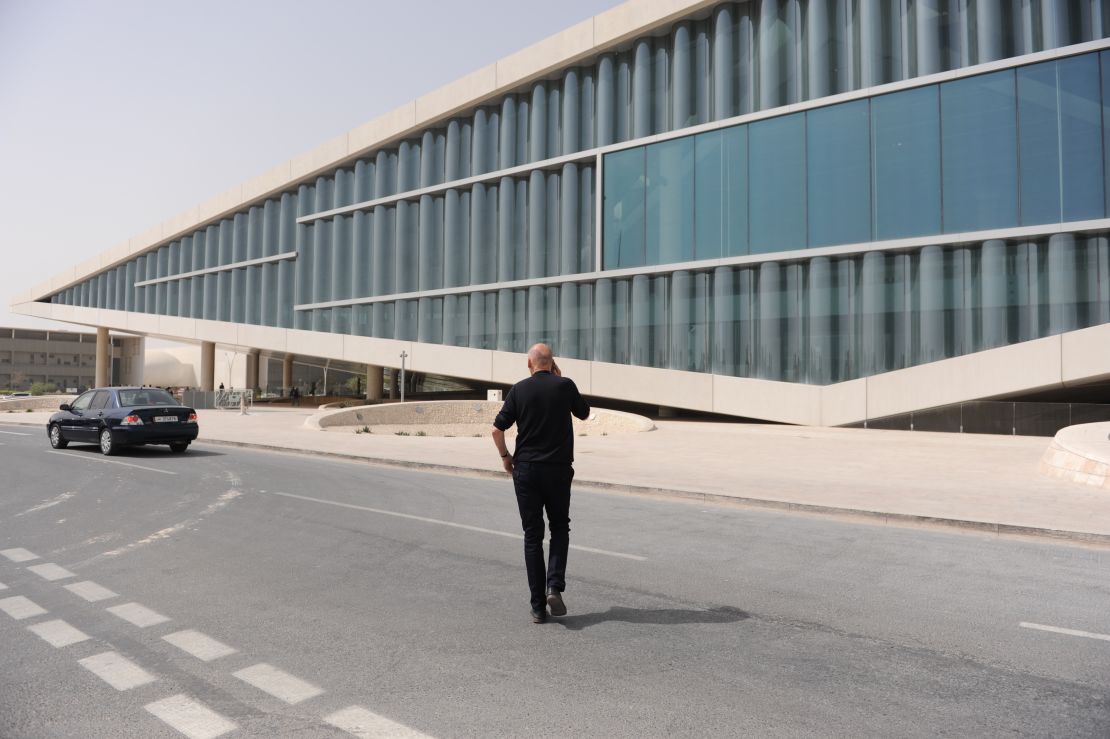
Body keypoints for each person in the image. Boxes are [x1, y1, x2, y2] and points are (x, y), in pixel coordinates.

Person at [492, 343, 590, 624]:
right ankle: (554, 587)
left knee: (532, 535)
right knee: (560, 527)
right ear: (553, 363)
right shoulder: (565, 385)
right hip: (558, 470)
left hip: (527, 471)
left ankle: (537, 607)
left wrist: (505, 458)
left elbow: (497, 430)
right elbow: (584, 413)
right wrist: (561, 380)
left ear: (529, 364)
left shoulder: (519, 390)